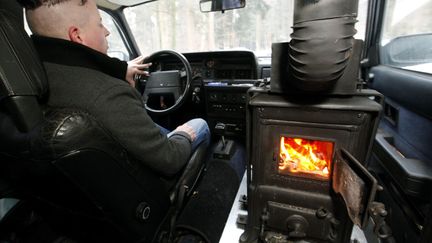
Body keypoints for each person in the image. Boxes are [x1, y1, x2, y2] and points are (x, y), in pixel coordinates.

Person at [17, 0, 210, 178]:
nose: (107, 31)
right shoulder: (111, 95)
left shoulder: (31, 80)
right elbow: (169, 159)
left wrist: (120, 69)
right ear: (77, 35)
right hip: (149, 189)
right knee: (199, 124)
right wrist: (183, 134)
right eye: (100, 23)